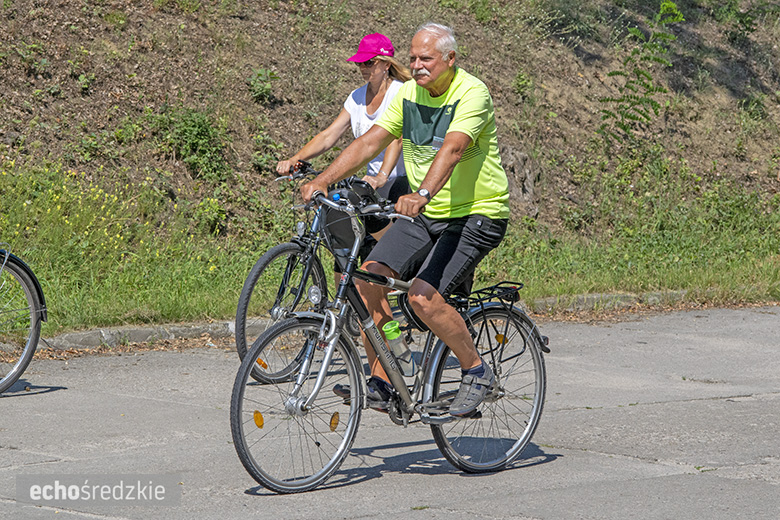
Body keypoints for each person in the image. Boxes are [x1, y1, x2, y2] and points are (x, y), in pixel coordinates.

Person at [302, 23, 510, 417]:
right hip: (428, 213)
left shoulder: (472, 93)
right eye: (412, 58)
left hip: (477, 213)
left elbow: (451, 150)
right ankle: (384, 381)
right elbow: (368, 142)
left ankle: (476, 369)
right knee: (366, 281)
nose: (416, 66)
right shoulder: (410, 94)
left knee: (421, 299)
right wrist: (322, 180)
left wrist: (422, 194)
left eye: (425, 58)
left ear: (450, 59)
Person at [276, 32, 412, 213]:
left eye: (369, 62)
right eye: (360, 63)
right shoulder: (356, 97)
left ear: (387, 63)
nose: (363, 67)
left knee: (381, 237)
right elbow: (328, 136)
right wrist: (295, 159)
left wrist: (382, 176)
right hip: (372, 183)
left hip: (401, 181)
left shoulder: (401, 92)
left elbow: (397, 139)